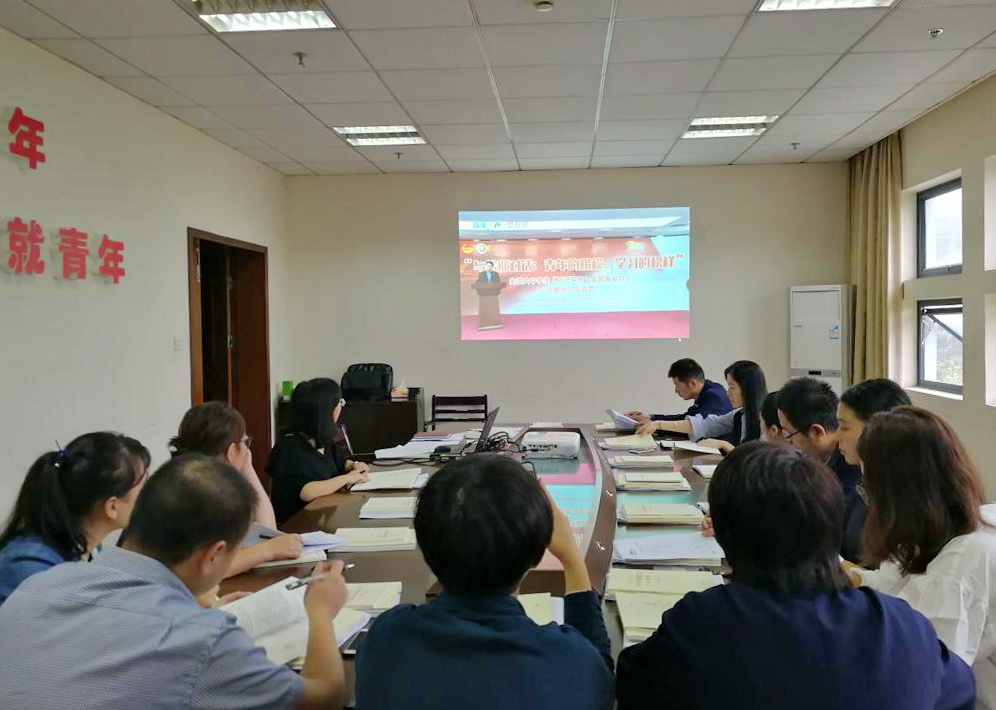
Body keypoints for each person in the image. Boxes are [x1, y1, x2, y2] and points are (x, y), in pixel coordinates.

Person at [617, 442, 974, 710]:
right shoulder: (900, 626)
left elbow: (631, 684)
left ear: (724, 534)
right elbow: (960, 690)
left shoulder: (701, 623)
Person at [0, 454, 348, 710]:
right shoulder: (203, 639)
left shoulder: (40, 585)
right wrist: (320, 613)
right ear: (214, 554)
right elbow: (324, 697)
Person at [356, 453, 614, 710]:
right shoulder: (569, 661)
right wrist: (572, 559)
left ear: (425, 547)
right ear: (537, 554)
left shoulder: (387, 637)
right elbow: (597, 676)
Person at [847, 407, 996, 709]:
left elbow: (921, 677)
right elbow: (895, 586)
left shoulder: (963, 564)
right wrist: (849, 577)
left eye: (869, 488)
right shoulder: (942, 528)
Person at [0, 432, 149, 607]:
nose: (151, 494)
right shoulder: (32, 566)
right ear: (112, 506)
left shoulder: (89, 547)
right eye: (144, 487)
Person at [170, 402, 305, 576]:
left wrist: (247, 468)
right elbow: (207, 567)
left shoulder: (203, 481)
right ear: (232, 451)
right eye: (245, 442)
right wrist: (268, 550)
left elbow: (266, 531)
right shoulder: (196, 493)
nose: (247, 450)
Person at [269, 378, 371, 524]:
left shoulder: (323, 439)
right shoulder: (289, 448)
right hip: (297, 526)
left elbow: (339, 463)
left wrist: (353, 466)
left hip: (323, 517)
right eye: (339, 403)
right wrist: (348, 478)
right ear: (326, 412)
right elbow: (307, 491)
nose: (341, 407)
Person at [834, 378, 911, 562]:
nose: (836, 436)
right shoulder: (863, 482)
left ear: (877, 429)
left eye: (845, 427)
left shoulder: (905, 502)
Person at [636, 360, 767, 455]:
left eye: (732, 387)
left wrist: (724, 445)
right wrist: (657, 423)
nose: (728, 393)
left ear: (747, 388)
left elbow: (759, 461)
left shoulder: (767, 417)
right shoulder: (739, 413)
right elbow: (704, 425)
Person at [776, 376, 862, 499]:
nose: (787, 442)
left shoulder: (853, 470)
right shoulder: (820, 460)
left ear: (816, 432)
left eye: (789, 434)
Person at [628, 358, 732, 423]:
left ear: (692, 383)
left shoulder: (714, 396)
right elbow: (685, 418)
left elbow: (691, 427)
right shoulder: (706, 391)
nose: (676, 390)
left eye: (676, 385)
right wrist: (651, 417)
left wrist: (655, 424)